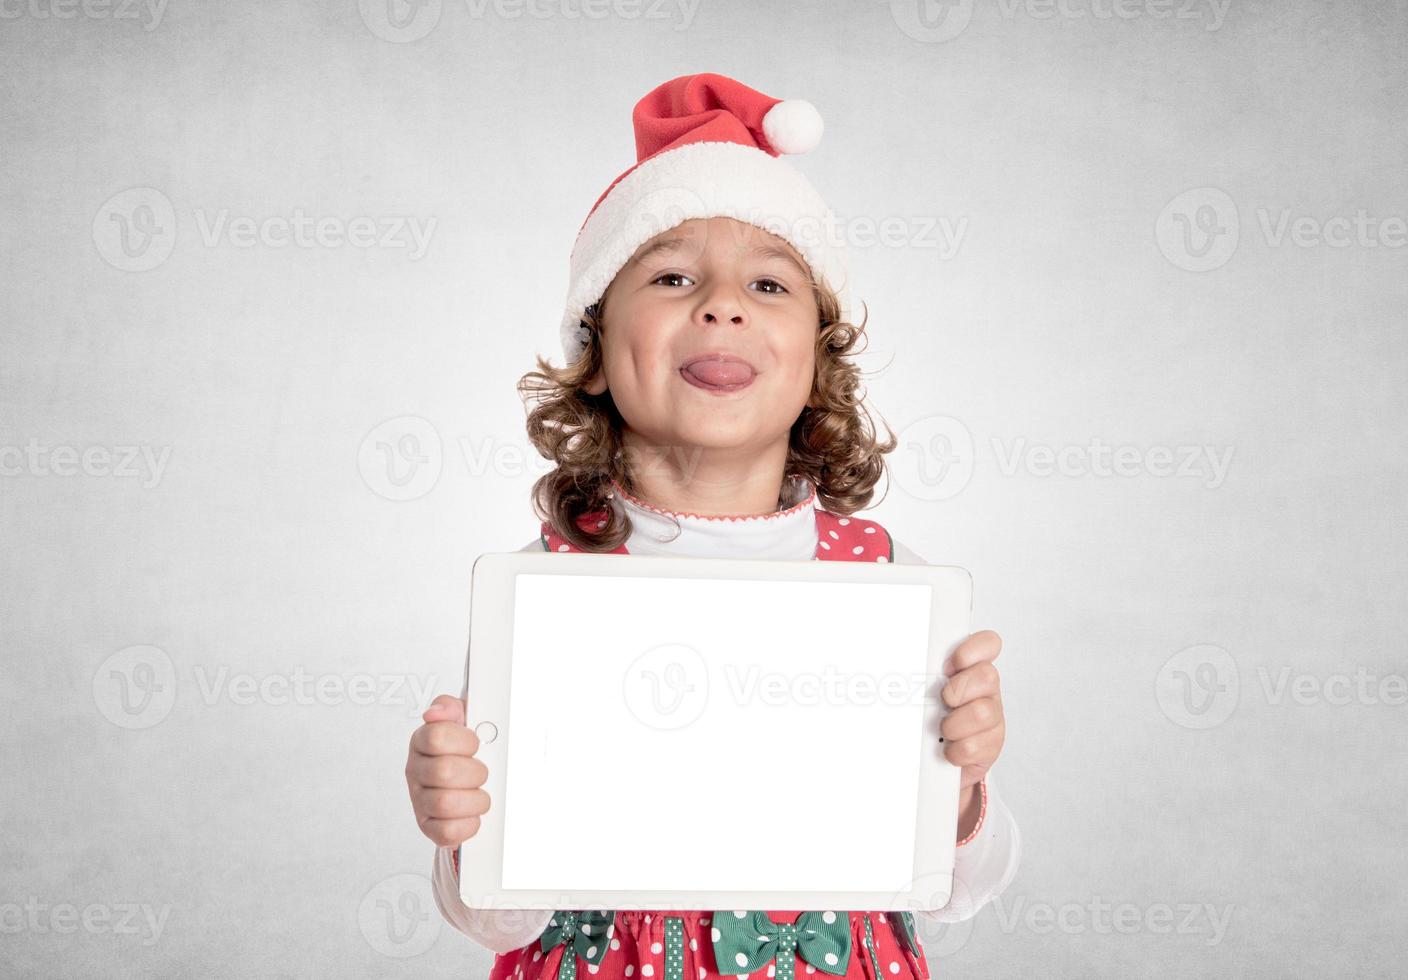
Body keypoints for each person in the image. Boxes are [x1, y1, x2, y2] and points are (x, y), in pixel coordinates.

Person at [404, 72, 1020, 980]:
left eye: (770, 283)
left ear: (818, 359)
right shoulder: (546, 591)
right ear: (596, 350)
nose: (721, 304)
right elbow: (497, 919)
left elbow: (960, 887)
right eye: (672, 276)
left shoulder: (890, 583)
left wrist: (964, 789)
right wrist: (459, 826)